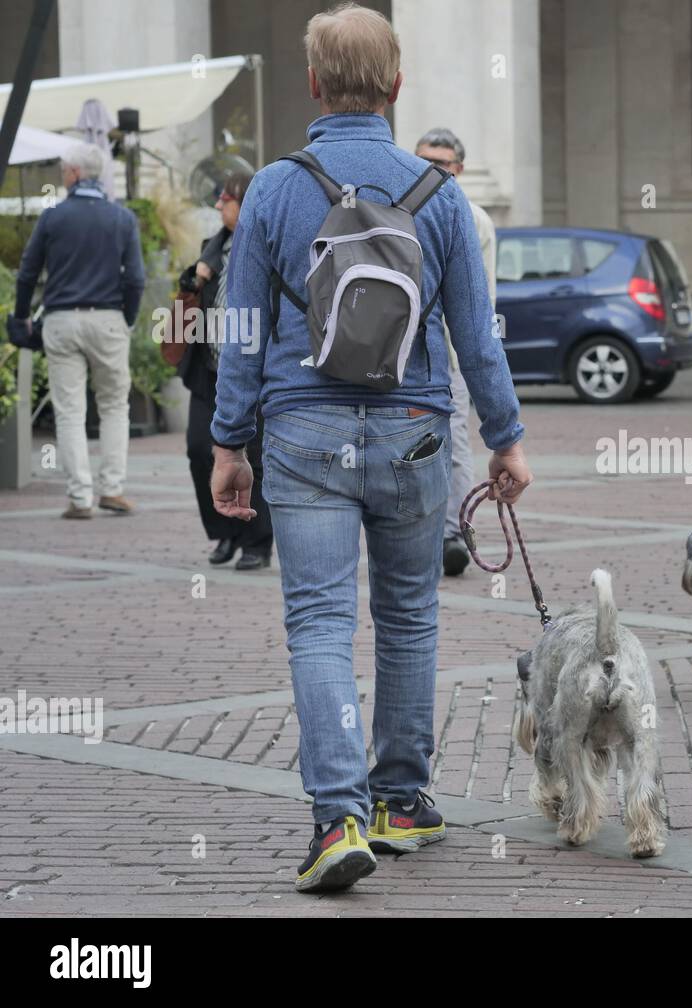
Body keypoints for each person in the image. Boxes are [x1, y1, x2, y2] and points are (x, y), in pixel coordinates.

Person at [209, 2, 532, 893]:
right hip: (416, 432)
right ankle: (400, 800)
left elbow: (238, 330)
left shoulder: (275, 188)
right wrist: (504, 438)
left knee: (319, 622)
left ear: (312, 82)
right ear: (396, 86)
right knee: (409, 618)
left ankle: (336, 819)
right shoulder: (440, 193)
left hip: (303, 429)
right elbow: (477, 335)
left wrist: (228, 442)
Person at [14, 142, 144, 519]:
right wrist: (128, 318)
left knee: (69, 410)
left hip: (61, 321)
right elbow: (135, 279)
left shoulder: (53, 217)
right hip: (107, 319)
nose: (61, 174)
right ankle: (113, 489)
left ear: (74, 173)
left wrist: (23, 317)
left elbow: (27, 272)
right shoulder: (122, 219)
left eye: (63, 169)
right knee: (114, 406)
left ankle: (80, 497)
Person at [177, 170, 274, 569]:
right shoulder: (211, 248)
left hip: (255, 373)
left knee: (254, 457)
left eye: (226, 199)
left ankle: (256, 540)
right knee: (200, 450)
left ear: (247, 202)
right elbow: (186, 297)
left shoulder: (268, 245)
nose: (219, 206)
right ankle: (225, 531)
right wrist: (193, 277)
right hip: (211, 371)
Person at [413, 127, 497, 577]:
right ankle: (418, 532)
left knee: (456, 443)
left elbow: (481, 298)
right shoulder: (401, 206)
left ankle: (452, 533)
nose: (431, 169)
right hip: (405, 351)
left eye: (441, 164)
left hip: (451, 351)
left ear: (458, 170)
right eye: (424, 159)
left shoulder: (474, 219)